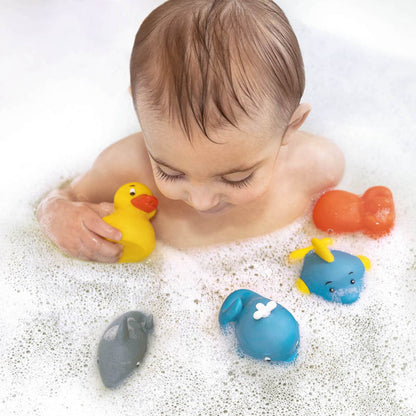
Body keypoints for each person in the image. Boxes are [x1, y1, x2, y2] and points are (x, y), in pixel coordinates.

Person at [36, 0, 344, 263]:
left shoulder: (316, 167)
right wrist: (57, 215)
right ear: (139, 114)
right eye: (170, 173)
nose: (201, 201)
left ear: (290, 126)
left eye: (236, 178)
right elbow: (62, 196)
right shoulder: (125, 166)